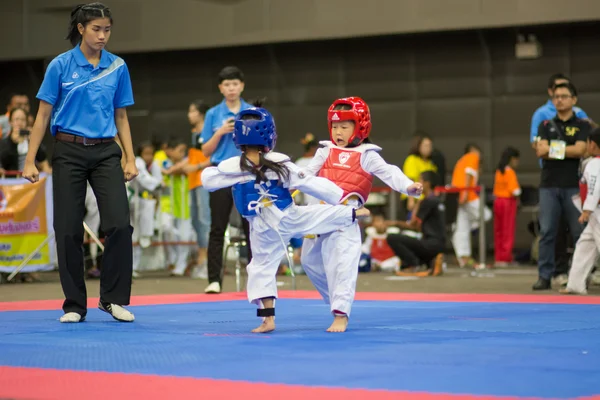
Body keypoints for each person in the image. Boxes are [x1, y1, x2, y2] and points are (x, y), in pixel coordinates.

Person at [201, 103, 370, 333]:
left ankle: (350, 212)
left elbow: (308, 182)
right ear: (270, 135)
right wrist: (243, 171)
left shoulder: (278, 164)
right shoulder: (236, 167)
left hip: (281, 218)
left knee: (263, 265)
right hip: (265, 225)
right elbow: (209, 179)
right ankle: (267, 319)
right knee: (263, 264)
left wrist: (339, 196)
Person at [22, 3, 138, 323]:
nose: (103, 36)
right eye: (97, 29)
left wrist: (129, 156)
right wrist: (30, 161)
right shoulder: (60, 66)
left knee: (118, 224)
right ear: (81, 29)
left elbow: (122, 116)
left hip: (105, 152)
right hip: (68, 151)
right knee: (68, 230)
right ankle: (75, 303)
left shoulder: (117, 66)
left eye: (107, 29)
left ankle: (112, 299)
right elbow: (43, 115)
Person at [300, 96, 422, 333]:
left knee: (343, 265)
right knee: (309, 262)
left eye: (344, 126)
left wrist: (408, 186)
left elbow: (390, 173)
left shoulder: (368, 154)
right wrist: (287, 185)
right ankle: (335, 298)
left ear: (360, 127)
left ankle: (340, 312)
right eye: (335, 126)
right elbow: (304, 174)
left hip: (346, 217)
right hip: (318, 216)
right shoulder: (324, 151)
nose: (338, 132)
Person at [200, 66, 253, 294]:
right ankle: (214, 280)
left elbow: (263, 145)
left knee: (251, 225)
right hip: (220, 172)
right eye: (227, 85)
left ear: (241, 86)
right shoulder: (213, 113)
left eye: (235, 84)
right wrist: (220, 131)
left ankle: (256, 277)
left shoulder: (252, 110)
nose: (231, 88)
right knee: (217, 226)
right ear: (221, 88)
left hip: (245, 172)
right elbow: (204, 150)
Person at [561, 128, 600, 295]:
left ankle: (575, 284)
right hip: (595, 212)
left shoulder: (594, 163)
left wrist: (587, 210)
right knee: (585, 245)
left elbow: (594, 188)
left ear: (592, 144)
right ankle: (575, 284)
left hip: (596, 211)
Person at [387, 171, 445, 276]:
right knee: (413, 245)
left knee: (392, 238)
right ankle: (431, 261)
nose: (417, 183)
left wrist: (393, 223)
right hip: (438, 243)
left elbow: (413, 225)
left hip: (430, 243)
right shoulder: (437, 199)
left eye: (420, 180)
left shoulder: (427, 201)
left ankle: (414, 265)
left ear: (427, 183)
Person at [493, 147, 521, 266]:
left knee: (498, 230)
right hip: (507, 202)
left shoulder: (499, 171)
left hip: (497, 201)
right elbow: (515, 191)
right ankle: (506, 257)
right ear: (512, 159)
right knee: (507, 230)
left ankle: (499, 257)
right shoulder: (510, 172)